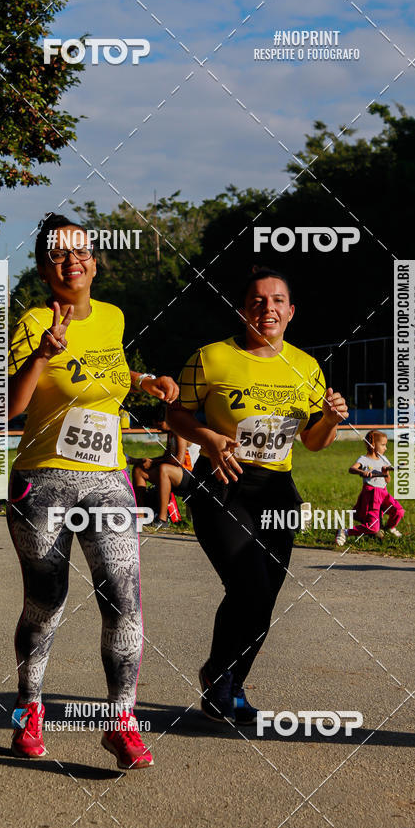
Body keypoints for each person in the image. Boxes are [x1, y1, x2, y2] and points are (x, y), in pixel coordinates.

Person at [7, 213, 178, 769]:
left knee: (123, 598)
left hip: (109, 477)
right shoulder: (32, 321)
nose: (71, 262)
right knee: (46, 600)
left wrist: (146, 382)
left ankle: (120, 721)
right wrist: (41, 355)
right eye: (58, 255)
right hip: (43, 481)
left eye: (80, 252)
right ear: (43, 267)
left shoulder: (112, 317)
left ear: (95, 261)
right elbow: (10, 407)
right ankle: (30, 708)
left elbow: (112, 375)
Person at [167, 266, 348, 723]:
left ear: (290, 311)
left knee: (264, 596)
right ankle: (218, 675)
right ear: (243, 308)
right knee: (248, 586)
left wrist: (329, 418)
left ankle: (230, 682)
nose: (267, 308)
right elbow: (175, 415)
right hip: (223, 484)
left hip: (277, 492)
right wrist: (208, 438)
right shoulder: (212, 358)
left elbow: (312, 442)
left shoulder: (306, 366)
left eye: (277, 301)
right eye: (257, 300)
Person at [336, 430, 404, 546]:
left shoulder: (384, 459)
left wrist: (386, 472)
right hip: (372, 494)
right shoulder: (364, 459)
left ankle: (388, 528)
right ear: (372, 444)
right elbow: (352, 469)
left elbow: (387, 480)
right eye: (383, 445)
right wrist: (362, 472)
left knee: (398, 511)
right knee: (372, 527)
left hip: (384, 493)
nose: (385, 448)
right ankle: (345, 532)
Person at [131, 410, 198, 527]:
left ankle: (162, 519)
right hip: (176, 473)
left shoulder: (179, 430)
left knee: (164, 469)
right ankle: (141, 516)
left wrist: (153, 463)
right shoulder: (171, 432)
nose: (158, 427)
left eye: (159, 424)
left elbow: (179, 459)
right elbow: (166, 456)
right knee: (139, 470)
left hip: (191, 475)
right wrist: (148, 461)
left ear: (168, 420)